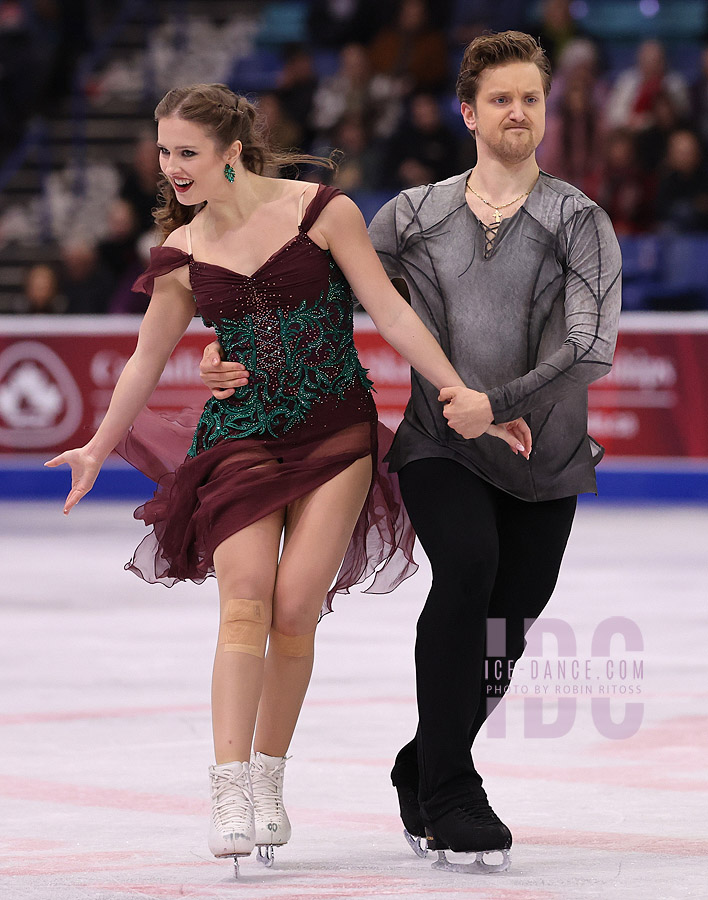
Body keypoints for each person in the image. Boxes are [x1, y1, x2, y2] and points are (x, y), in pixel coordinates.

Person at [44, 82, 530, 875]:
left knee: (296, 609)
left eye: (187, 153)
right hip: (239, 436)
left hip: (336, 433)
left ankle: (270, 778)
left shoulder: (323, 213)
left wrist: (463, 393)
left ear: (230, 151)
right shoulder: (183, 254)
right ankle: (230, 789)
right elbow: (145, 357)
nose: (172, 168)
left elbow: (394, 315)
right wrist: (96, 448)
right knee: (247, 603)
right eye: (165, 152)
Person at [200, 32, 622, 873]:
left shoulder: (580, 219)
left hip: (549, 454)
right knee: (467, 570)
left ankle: (420, 761)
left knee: (512, 618)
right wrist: (230, 349)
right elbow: (315, 297)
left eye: (530, 98)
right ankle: (453, 789)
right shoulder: (414, 215)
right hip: (438, 446)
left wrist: (494, 402)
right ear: (467, 112)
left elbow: (593, 347)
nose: (517, 112)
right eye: (500, 98)